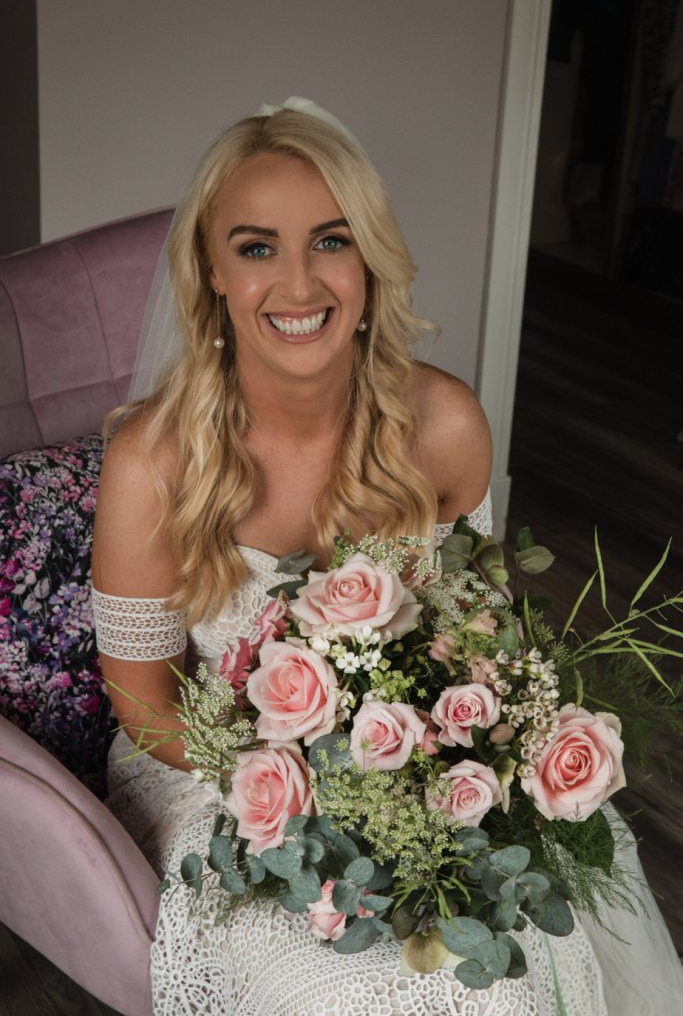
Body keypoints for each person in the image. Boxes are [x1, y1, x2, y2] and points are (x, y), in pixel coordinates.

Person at [91, 101, 682, 1015]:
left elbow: (469, 630)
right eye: (256, 248)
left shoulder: (443, 426)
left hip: (416, 770)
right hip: (219, 782)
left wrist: (436, 760)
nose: (297, 284)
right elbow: (142, 704)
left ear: (368, 259)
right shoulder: (152, 461)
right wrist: (298, 784)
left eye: (329, 241)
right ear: (211, 270)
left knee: (506, 973)